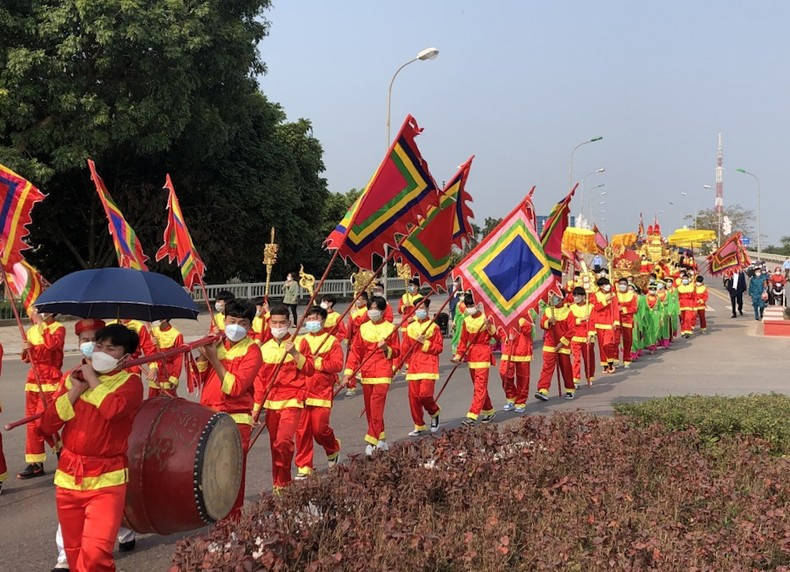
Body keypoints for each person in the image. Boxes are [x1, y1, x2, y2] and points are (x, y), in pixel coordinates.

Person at [40, 324, 143, 572]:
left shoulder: (131, 383)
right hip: (68, 478)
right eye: (99, 345)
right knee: (74, 552)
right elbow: (47, 424)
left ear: (126, 357)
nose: (102, 352)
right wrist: (77, 389)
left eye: (111, 348)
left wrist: (93, 379)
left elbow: (112, 410)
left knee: (96, 555)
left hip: (107, 481)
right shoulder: (73, 379)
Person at [197, 298, 262, 517]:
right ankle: (215, 522)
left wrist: (215, 359)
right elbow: (200, 376)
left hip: (236, 420)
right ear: (223, 320)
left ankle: (232, 524)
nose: (236, 327)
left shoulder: (253, 351)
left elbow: (235, 388)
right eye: (232, 321)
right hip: (209, 415)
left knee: (231, 475)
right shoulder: (217, 343)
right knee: (208, 474)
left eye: (242, 323)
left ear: (250, 326)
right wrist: (203, 351)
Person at [255, 305, 314, 490]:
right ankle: (280, 484)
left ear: (289, 323)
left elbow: (310, 369)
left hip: (292, 400)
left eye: (282, 323)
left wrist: (295, 353)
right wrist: (256, 409)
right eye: (274, 323)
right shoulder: (264, 348)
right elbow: (260, 382)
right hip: (271, 403)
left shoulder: (301, 342)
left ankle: (284, 482)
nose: (278, 326)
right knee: (275, 445)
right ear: (269, 323)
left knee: (283, 442)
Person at [343, 296, 399, 455]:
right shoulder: (363, 328)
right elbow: (355, 353)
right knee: (370, 408)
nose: (373, 311)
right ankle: (382, 439)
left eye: (376, 309)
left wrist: (386, 348)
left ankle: (371, 440)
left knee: (376, 405)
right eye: (371, 308)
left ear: (383, 311)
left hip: (383, 371)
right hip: (366, 372)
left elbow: (397, 351)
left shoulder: (391, 328)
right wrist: (348, 373)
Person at [294, 306, 342, 478]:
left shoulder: (331, 341)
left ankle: (333, 448)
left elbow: (337, 365)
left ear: (323, 320)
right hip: (301, 390)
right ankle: (304, 465)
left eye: (315, 318)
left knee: (319, 430)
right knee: (302, 431)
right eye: (309, 319)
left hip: (322, 391)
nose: (312, 322)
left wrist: (319, 362)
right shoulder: (300, 341)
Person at [18, 309, 65, 480]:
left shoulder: (58, 328)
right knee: (31, 423)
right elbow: (27, 359)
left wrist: (40, 323)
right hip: (33, 379)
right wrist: (25, 349)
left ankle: (61, 450)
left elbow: (52, 345)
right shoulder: (31, 331)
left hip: (50, 380)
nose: (37, 313)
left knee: (42, 423)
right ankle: (36, 464)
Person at [452, 294, 498, 425]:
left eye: (471, 305)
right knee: (479, 387)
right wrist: (458, 356)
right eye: (468, 306)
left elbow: (497, 336)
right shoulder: (467, 320)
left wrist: (489, 326)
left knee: (479, 387)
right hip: (471, 356)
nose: (469, 308)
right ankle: (489, 410)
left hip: (483, 354)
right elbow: (463, 341)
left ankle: (472, 416)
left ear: (477, 305)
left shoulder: (486, 318)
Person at [402, 298, 442, 435]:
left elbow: (439, 348)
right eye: (417, 308)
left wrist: (425, 342)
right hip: (414, 365)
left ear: (427, 309)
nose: (420, 311)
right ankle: (419, 425)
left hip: (429, 364)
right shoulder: (410, 327)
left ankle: (434, 412)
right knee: (413, 398)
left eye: (422, 308)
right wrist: (403, 364)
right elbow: (405, 348)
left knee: (425, 395)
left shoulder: (433, 327)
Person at [534, 293, 575, 400]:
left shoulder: (568, 312)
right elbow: (542, 325)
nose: (554, 299)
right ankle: (543, 390)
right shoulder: (548, 311)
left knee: (566, 368)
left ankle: (570, 389)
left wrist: (561, 343)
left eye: (557, 297)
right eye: (553, 297)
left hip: (563, 345)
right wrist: (548, 322)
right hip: (550, 343)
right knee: (547, 367)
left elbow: (571, 330)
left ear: (562, 298)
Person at [499, 314, 532, 413]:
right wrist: (506, 337)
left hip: (522, 348)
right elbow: (500, 330)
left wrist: (518, 323)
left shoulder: (525, 314)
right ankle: (511, 397)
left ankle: (521, 402)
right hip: (508, 348)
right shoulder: (505, 314)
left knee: (523, 378)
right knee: (504, 373)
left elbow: (528, 330)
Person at [148, 319, 184, 398]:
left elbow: (178, 358)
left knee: (169, 400)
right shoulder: (153, 331)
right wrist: (153, 366)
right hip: (156, 372)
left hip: (169, 372)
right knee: (152, 401)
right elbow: (150, 353)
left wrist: (174, 376)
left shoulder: (176, 335)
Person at [568, 287, 595, 387]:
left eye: (578, 295)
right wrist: (581, 319)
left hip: (587, 337)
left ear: (583, 296)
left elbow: (592, 322)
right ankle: (575, 379)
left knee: (588, 359)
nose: (576, 297)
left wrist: (590, 335)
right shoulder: (571, 308)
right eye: (574, 295)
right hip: (575, 337)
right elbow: (570, 322)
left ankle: (589, 377)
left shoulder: (590, 307)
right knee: (576, 359)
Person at [591, 277, 619, 374]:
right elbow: (596, 308)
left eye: (607, 284)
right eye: (604, 285)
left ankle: (610, 362)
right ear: (600, 287)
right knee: (601, 346)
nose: (607, 286)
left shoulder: (613, 295)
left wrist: (616, 321)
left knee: (607, 344)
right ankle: (605, 364)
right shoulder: (596, 295)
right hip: (599, 324)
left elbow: (615, 309)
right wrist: (605, 301)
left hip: (609, 323)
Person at [344, 291, 369, 396]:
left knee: (364, 361)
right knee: (351, 363)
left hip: (364, 339)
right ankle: (351, 385)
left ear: (365, 301)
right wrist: (347, 338)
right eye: (356, 298)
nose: (356, 301)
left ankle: (364, 377)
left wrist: (354, 314)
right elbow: (350, 325)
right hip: (354, 340)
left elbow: (360, 322)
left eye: (359, 299)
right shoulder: (354, 309)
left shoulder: (367, 311)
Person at [616, 278, 638, 367]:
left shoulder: (632, 296)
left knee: (628, 341)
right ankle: (615, 359)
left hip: (627, 320)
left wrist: (623, 309)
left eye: (624, 284)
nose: (622, 285)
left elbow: (634, 308)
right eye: (620, 284)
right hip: (617, 320)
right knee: (615, 340)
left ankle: (626, 359)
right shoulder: (615, 295)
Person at [677, 272, 697, 338]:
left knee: (688, 319)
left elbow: (695, 297)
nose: (684, 280)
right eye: (683, 279)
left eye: (686, 279)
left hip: (689, 304)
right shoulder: (679, 288)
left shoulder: (692, 287)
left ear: (688, 279)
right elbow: (677, 297)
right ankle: (683, 331)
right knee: (682, 319)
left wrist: (695, 307)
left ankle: (687, 331)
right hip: (681, 305)